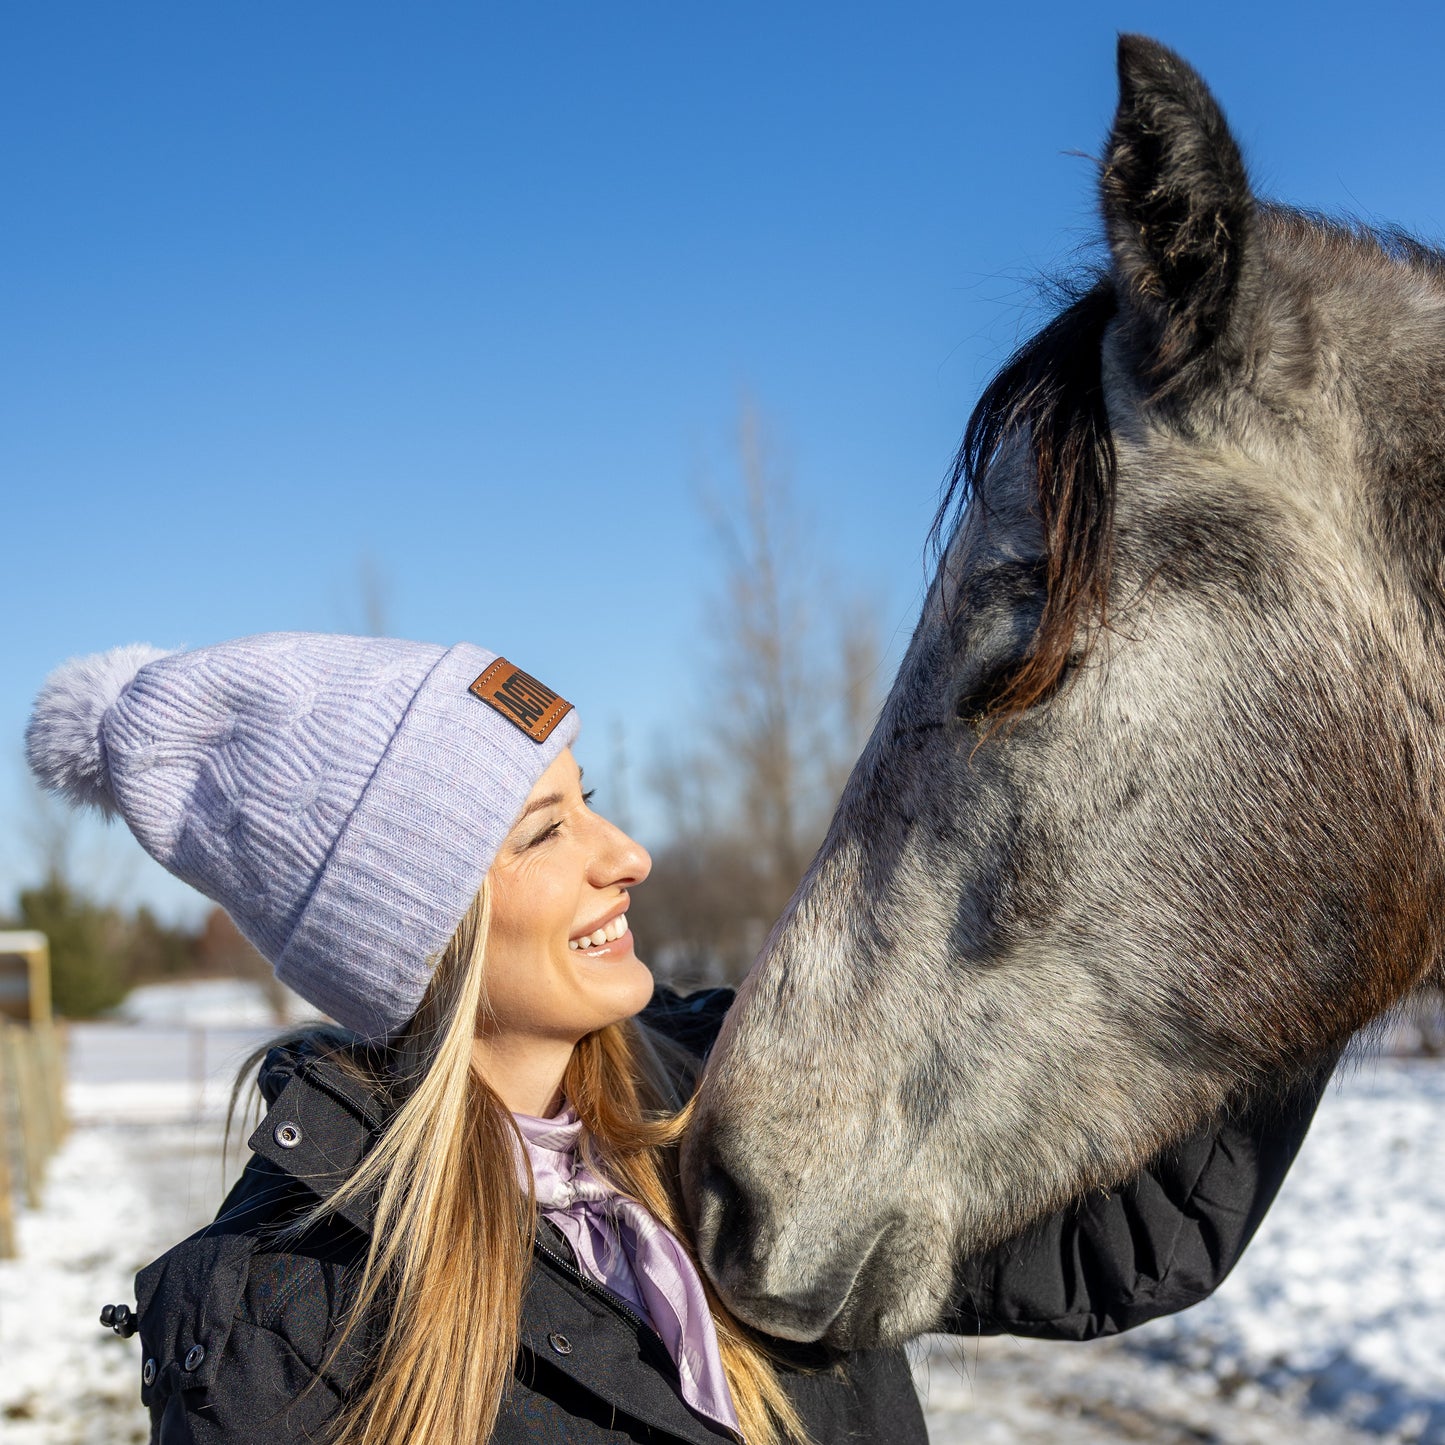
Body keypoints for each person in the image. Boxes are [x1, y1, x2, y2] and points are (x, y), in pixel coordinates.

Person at [27, 633, 1337, 1445]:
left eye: (587, 801)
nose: (626, 853)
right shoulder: (275, 1316)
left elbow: (1122, 1228)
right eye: (545, 831)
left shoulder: (748, 1093)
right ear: (412, 938)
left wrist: (1328, 877)